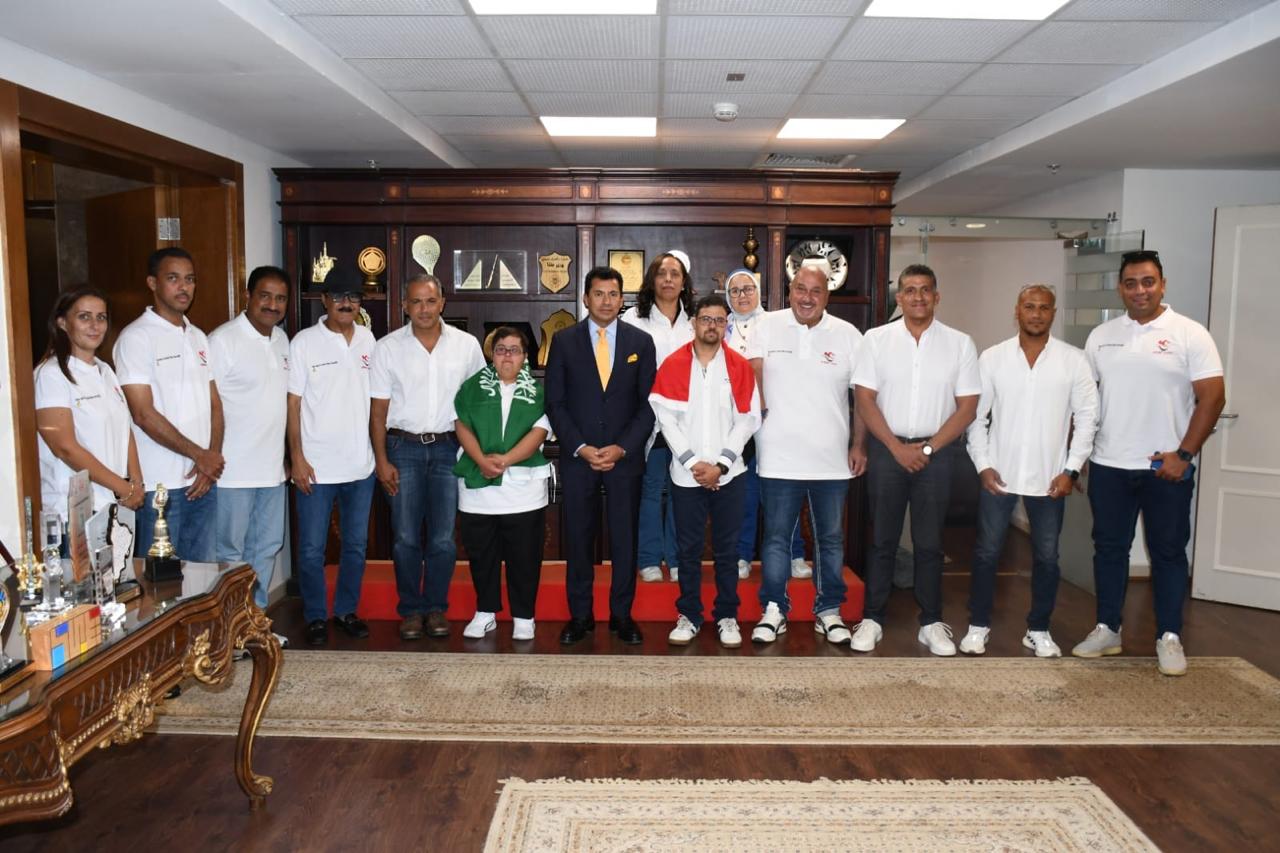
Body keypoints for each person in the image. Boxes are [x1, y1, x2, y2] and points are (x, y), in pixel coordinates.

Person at [1072, 249, 1225, 676]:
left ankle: (1169, 636)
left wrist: (1184, 454)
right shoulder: (1101, 336)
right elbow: (1084, 402)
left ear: (1162, 284)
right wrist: (1078, 458)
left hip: (1166, 467)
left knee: (1168, 553)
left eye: (1148, 281)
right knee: (1109, 550)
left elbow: (1213, 398)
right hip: (1109, 464)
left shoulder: (1190, 334)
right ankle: (1108, 629)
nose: (1140, 290)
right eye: (1131, 283)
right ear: (1121, 288)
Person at [961, 284, 1098, 657]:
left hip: (1050, 477)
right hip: (999, 475)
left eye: (1044, 307)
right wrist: (983, 465)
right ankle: (978, 625)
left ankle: (1038, 629)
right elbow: (976, 418)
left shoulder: (1074, 360)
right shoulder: (993, 358)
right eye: (1029, 306)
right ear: (1017, 311)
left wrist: (1071, 470)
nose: (1036, 314)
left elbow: (1088, 419)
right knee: (987, 553)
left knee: (1047, 558)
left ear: (1053, 313)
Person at [852, 263, 980, 656]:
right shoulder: (876, 340)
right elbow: (864, 399)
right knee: (882, 540)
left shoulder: (960, 343)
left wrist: (925, 449)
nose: (918, 297)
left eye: (925, 290)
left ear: (936, 297)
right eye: (910, 290)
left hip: (936, 455)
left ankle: (931, 622)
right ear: (900, 297)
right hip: (886, 451)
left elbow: (968, 407)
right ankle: (872, 618)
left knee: (930, 542)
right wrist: (894, 447)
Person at [747, 263, 866, 646]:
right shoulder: (766, 326)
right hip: (778, 457)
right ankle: (774, 609)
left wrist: (858, 444)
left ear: (827, 296)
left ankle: (828, 611)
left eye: (816, 290)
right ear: (790, 290)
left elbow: (863, 396)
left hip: (831, 462)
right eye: (801, 288)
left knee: (830, 540)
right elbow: (752, 376)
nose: (807, 297)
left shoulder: (848, 335)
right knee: (776, 539)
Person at [545, 266, 657, 645]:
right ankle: (580, 616)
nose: (606, 301)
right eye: (598, 294)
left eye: (613, 294)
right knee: (578, 539)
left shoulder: (641, 343)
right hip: (579, 459)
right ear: (585, 298)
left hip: (625, 459)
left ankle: (622, 616)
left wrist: (622, 447)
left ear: (622, 299)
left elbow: (648, 405)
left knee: (625, 539)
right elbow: (555, 403)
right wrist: (581, 447)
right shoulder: (564, 341)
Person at [370, 273, 484, 641]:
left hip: (449, 448)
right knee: (405, 536)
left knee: (443, 538)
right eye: (416, 301)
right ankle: (410, 610)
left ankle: (435, 608)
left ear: (442, 303)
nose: (424, 309)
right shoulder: (387, 348)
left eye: (430, 301)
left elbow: (478, 403)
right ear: (405, 305)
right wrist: (381, 460)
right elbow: (377, 412)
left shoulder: (466, 346)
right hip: (402, 449)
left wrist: (477, 452)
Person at [650, 294, 760, 647]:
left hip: (730, 474)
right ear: (694, 323)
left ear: (726, 326)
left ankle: (727, 616)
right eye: (706, 319)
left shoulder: (738, 366)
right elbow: (665, 419)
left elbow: (747, 420)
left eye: (719, 320)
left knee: (728, 551)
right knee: (688, 551)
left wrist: (721, 464)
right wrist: (693, 463)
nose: (713, 326)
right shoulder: (673, 364)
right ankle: (690, 615)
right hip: (687, 475)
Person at [113, 247, 223, 561]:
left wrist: (210, 461)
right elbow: (142, 414)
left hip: (202, 482)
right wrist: (200, 455)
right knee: (159, 580)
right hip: (158, 486)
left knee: (202, 577)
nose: (183, 287)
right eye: (173, 278)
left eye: (190, 279)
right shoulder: (136, 337)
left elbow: (215, 405)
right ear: (152, 283)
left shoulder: (198, 336)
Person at [288, 269, 377, 646]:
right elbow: (292, 404)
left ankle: (345, 611)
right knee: (312, 548)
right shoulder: (304, 342)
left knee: (356, 545)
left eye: (354, 297)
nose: (346, 303)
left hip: (361, 465)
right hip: (316, 467)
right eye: (338, 296)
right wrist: (296, 457)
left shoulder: (369, 339)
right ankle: (315, 615)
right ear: (324, 300)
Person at [453, 327, 551, 642]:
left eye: (514, 349)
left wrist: (505, 460)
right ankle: (485, 612)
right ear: (491, 355)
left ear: (525, 357)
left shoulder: (539, 392)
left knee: (524, 556)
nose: (507, 355)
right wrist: (482, 460)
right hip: (478, 485)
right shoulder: (471, 388)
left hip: (523, 489)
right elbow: (461, 424)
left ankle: (524, 615)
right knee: (483, 555)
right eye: (500, 349)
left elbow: (539, 431)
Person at [209, 266, 292, 628]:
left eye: (280, 298)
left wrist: (286, 457)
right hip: (232, 472)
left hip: (272, 471)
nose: (273, 305)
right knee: (231, 554)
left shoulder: (282, 340)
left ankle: (254, 625)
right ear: (248, 296)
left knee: (266, 547)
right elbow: (207, 406)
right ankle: (228, 629)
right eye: (265, 296)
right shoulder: (222, 341)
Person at [723, 269, 811, 581]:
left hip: (775, 420)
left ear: (758, 292)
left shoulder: (778, 325)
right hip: (735, 424)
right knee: (745, 495)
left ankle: (794, 554)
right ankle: (742, 555)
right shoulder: (721, 327)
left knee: (782, 493)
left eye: (747, 289)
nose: (742, 295)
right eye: (734, 291)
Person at [35, 287, 144, 535]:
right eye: (84, 317)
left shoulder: (105, 371)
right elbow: (64, 447)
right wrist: (123, 488)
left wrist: (136, 483)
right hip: (72, 515)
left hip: (114, 507)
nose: (95, 325)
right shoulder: (51, 374)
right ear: (62, 323)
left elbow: (123, 429)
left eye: (101, 317)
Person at [621, 251, 694, 583]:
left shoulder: (694, 322)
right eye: (662, 273)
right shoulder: (633, 320)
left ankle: (677, 558)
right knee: (650, 490)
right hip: (647, 420)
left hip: (687, 421)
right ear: (651, 280)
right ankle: (649, 558)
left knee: (682, 490)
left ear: (684, 283)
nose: (668, 279)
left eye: (675, 274)